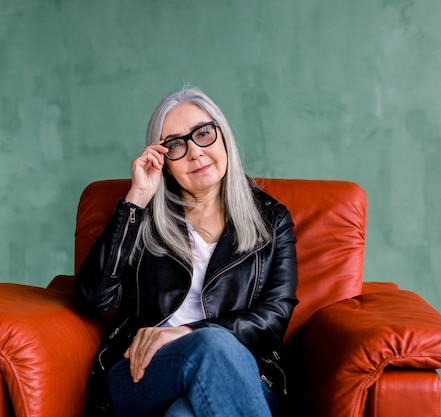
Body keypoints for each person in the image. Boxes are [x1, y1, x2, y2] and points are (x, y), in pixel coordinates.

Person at [75, 86, 298, 417]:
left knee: (184, 412)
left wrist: (189, 332)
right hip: (145, 371)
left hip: (247, 375)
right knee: (211, 346)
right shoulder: (145, 217)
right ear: (163, 162)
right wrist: (136, 198)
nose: (195, 152)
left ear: (223, 137)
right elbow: (96, 296)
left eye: (203, 133)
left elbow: (275, 315)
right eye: (175, 144)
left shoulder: (271, 219)